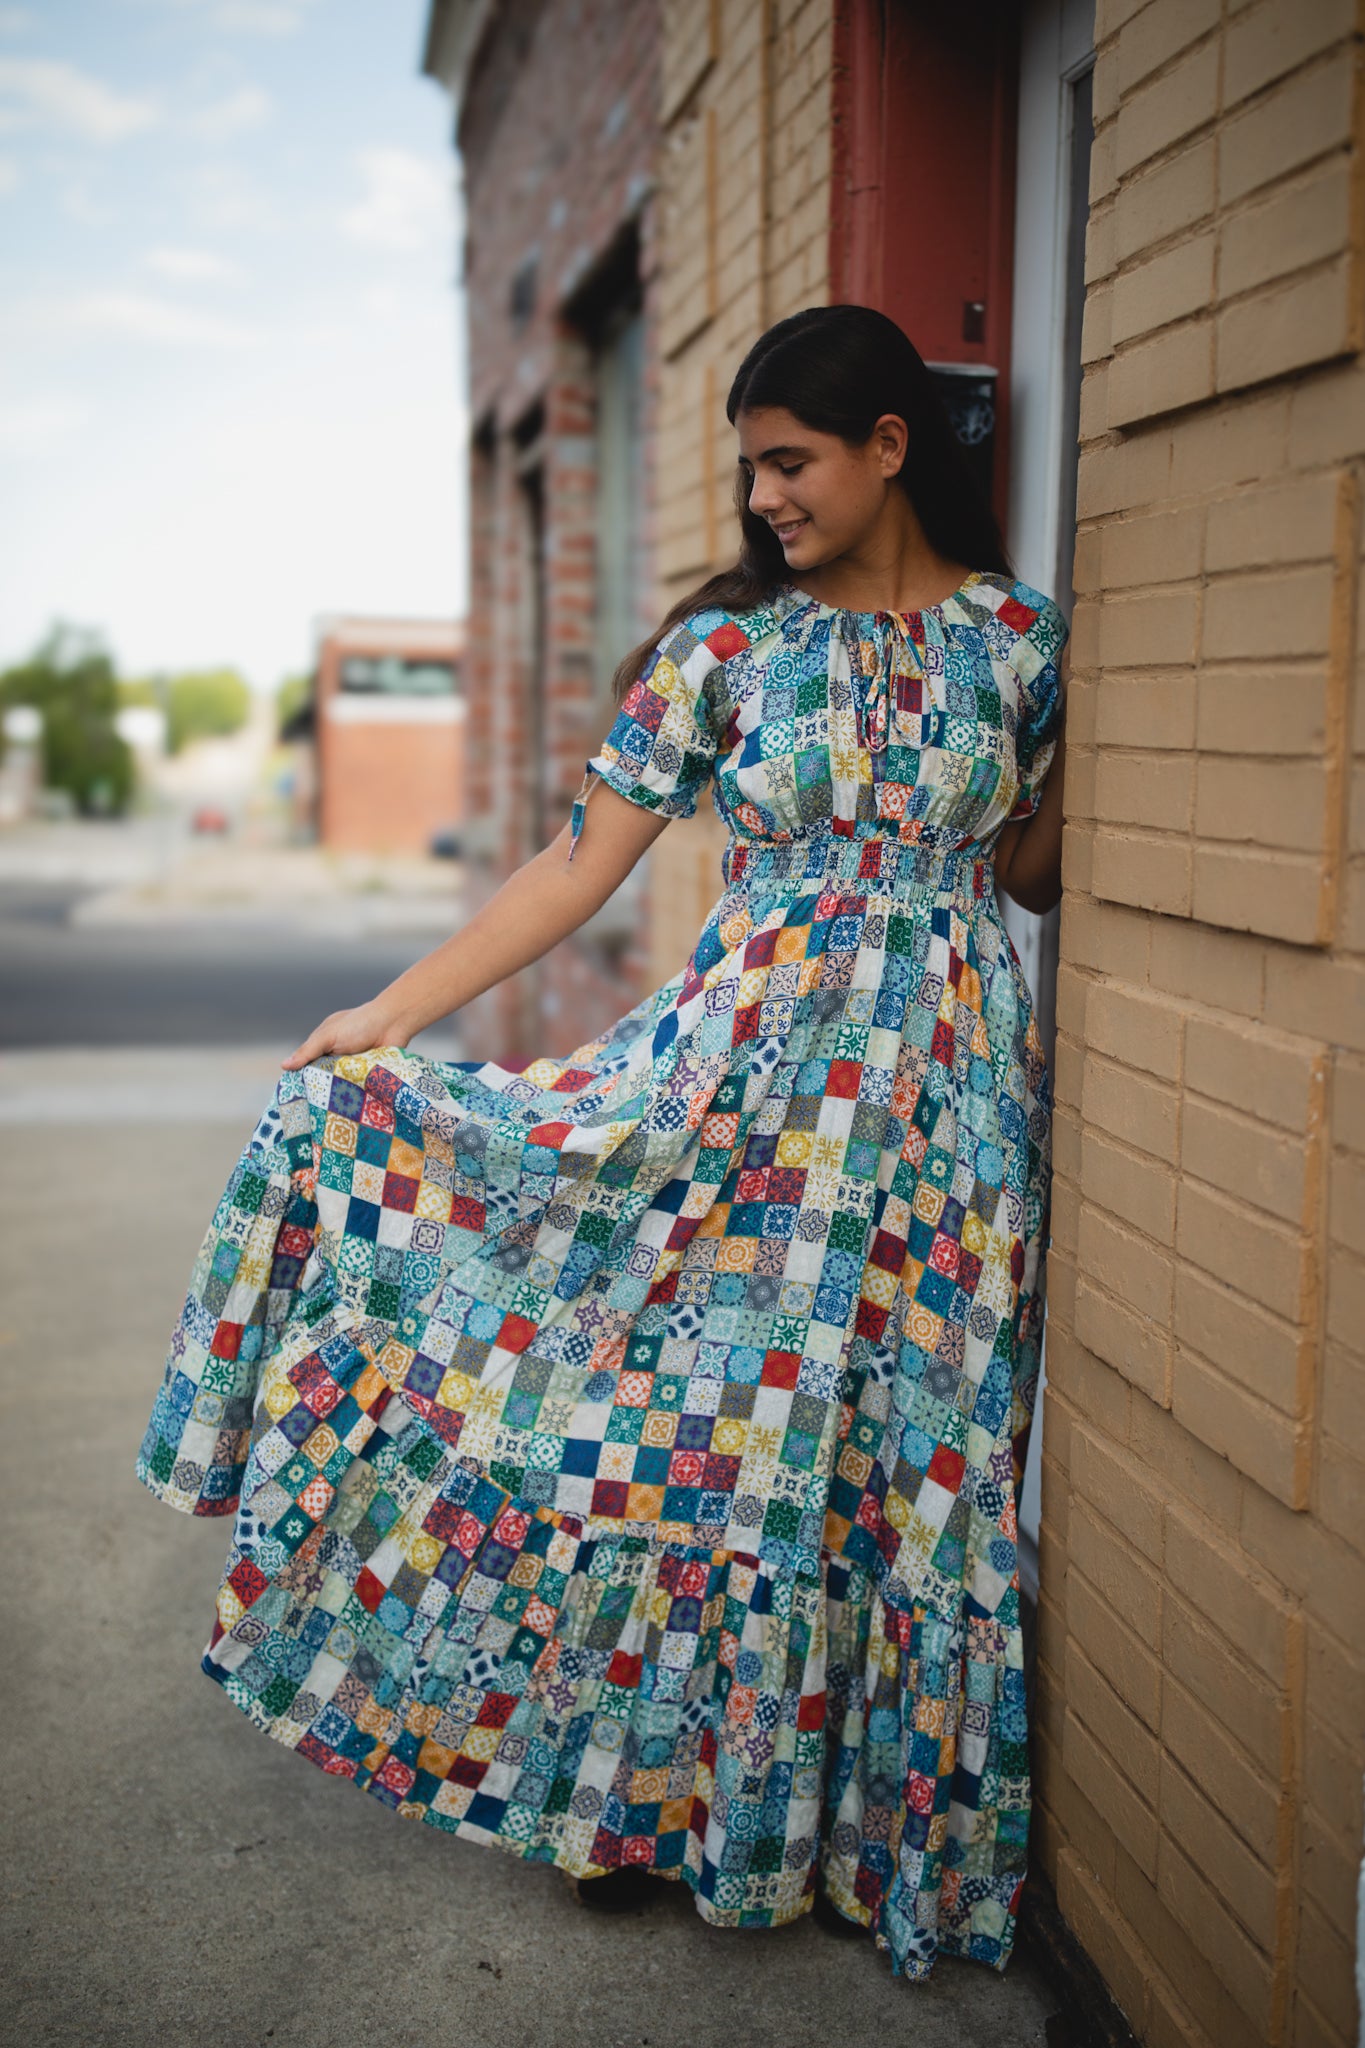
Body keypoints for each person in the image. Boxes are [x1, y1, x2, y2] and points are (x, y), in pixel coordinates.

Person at [136, 304, 1067, 1983]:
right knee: (692, 1438)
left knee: (897, 1465)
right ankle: (641, 1804)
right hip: (736, 1103)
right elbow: (573, 869)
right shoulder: (721, 657)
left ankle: (846, 1842)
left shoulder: (1020, 642)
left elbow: (1027, 872)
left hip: (947, 1112)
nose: (763, 495)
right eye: (748, 468)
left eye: (789, 461)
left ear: (887, 445)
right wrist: (391, 1016)